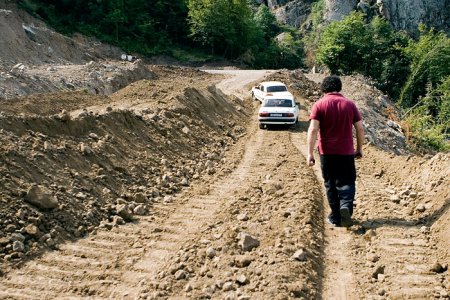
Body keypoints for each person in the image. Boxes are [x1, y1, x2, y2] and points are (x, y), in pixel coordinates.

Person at [307, 75, 365, 227]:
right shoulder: (350, 105)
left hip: (327, 152)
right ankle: (346, 205)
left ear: (323, 88)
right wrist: (359, 149)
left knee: (330, 183)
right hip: (346, 152)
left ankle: (336, 217)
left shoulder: (319, 105)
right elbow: (359, 128)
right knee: (347, 181)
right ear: (339, 88)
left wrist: (310, 153)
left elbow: (313, 129)